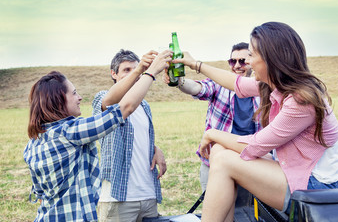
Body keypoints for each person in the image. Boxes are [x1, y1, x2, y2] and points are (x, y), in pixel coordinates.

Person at [173, 22, 338, 222]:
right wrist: (195, 64)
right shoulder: (277, 86)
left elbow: (255, 146)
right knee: (220, 151)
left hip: (318, 188)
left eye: (252, 54)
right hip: (295, 170)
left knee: (223, 160)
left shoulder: (301, 100)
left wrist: (212, 133)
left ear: (271, 59)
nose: (248, 61)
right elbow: (236, 83)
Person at [23, 50, 169, 221]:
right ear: (59, 99)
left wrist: (153, 147)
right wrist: (150, 72)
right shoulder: (71, 131)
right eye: (74, 93)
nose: (80, 98)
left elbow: (40, 193)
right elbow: (123, 110)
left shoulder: (32, 144)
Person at [163, 42, 260, 193]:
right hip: (216, 163)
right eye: (232, 61)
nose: (237, 65)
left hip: (250, 164)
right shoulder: (220, 84)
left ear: (251, 62)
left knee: (247, 214)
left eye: (242, 61)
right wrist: (179, 81)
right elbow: (197, 88)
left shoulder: (262, 90)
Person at [92, 49, 169, 222]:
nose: (134, 75)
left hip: (148, 195)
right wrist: (141, 68)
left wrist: (155, 148)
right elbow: (111, 102)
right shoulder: (103, 98)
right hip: (118, 197)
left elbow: (137, 139)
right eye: (127, 70)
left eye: (136, 70)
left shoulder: (145, 106)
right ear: (113, 74)